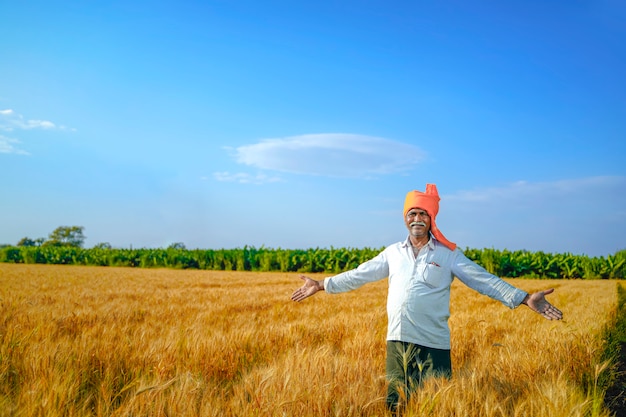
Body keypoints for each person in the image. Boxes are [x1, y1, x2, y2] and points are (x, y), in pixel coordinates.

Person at [290, 183, 563, 413]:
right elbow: (360, 274)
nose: (417, 218)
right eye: (412, 213)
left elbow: (482, 280)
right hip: (398, 341)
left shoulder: (448, 254)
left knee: (438, 406)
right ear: (405, 218)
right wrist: (322, 284)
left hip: (434, 345)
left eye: (423, 213)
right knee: (396, 406)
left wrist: (524, 298)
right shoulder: (393, 253)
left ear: (431, 218)